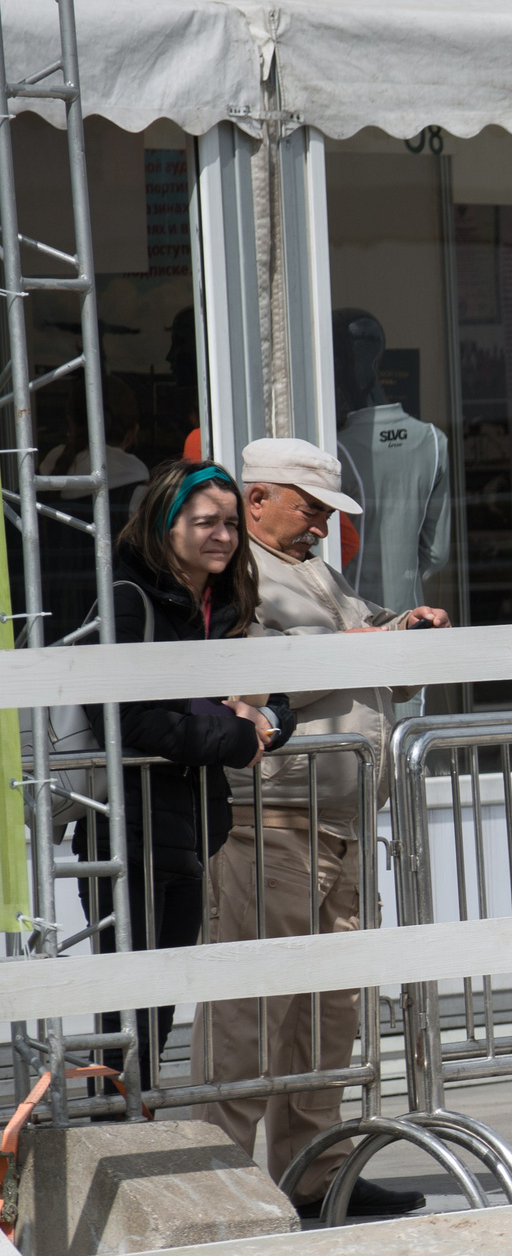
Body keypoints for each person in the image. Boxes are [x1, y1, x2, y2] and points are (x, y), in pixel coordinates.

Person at [201, 439, 449, 1219]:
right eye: (310, 509)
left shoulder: (308, 569)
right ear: (260, 498)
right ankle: (218, 1177)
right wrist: (363, 645)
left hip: (332, 821)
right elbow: (246, 683)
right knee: (251, 1012)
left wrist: (402, 630)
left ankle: (316, 1169)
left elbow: (364, 651)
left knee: (328, 1010)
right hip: (268, 820)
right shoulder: (235, 572)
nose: (320, 526)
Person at [86, 461, 294, 1099]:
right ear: (164, 525)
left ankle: (133, 1109)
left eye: (232, 523)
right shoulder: (127, 598)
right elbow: (123, 717)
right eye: (207, 522)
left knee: (163, 991)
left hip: (193, 822)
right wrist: (233, 735)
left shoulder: (228, 604)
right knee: (129, 999)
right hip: (127, 825)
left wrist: (264, 722)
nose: (224, 536)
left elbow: (277, 700)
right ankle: (111, 1119)